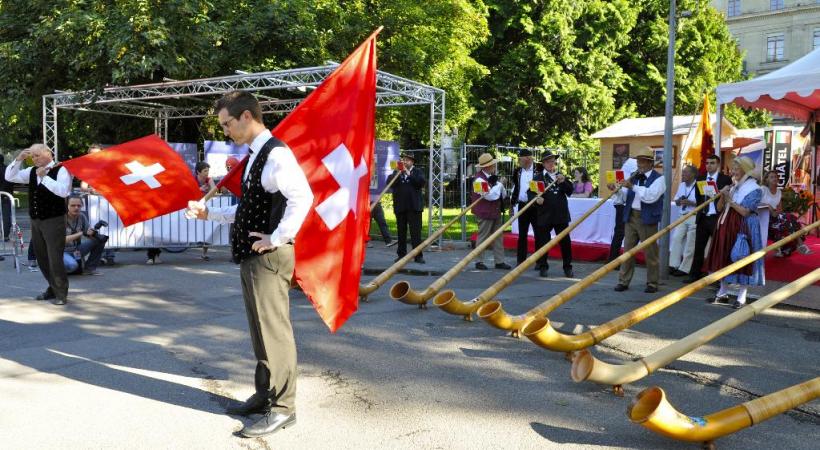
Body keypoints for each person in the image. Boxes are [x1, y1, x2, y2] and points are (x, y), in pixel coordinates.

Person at [186, 91, 313, 438]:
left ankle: (284, 408)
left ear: (246, 116)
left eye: (227, 123)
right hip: (254, 258)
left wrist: (278, 236)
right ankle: (265, 395)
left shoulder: (276, 154)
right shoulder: (257, 155)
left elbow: (303, 197)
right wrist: (209, 211)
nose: (225, 131)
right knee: (261, 332)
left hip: (268, 259)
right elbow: (247, 211)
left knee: (275, 333)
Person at [5, 144, 72, 305]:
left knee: (55, 257)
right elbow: (10, 177)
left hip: (54, 219)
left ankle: (61, 294)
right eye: (32, 156)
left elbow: (64, 191)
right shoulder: (31, 171)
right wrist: (18, 159)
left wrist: (45, 177)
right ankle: (52, 288)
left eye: (37, 155)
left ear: (48, 153)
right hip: (36, 219)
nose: (34, 159)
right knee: (42, 257)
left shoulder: (61, 169)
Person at [704, 156, 764, 308]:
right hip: (727, 225)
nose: (733, 171)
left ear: (745, 170)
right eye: (733, 168)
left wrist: (729, 199)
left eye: (737, 169)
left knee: (742, 257)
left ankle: (741, 296)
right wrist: (723, 195)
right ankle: (722, 293)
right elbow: (719, 208)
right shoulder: (733, 186)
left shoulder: (755, 189)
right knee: (724, 257)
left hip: (744, 226)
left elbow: (745, 212)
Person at [614, 146, 666, 293]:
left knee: (650, 252)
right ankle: (623, 281)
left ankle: (652, 283)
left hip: (647, 218)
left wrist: (633, 187)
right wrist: (616, 191)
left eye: (642, 162)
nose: (639, 165)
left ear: (650, 163)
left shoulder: (659, 179)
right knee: (628, 251)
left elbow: (650, 197)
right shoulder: (633, 176)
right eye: (638, 162)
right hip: (631, 216)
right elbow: (624, 198)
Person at [688, 154, 733, 282]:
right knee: (698, 247)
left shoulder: (725, 179)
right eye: (707, 163)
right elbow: (698, 198)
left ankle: (719, 277)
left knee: (718, 247)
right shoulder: (700, 178)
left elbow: (728, 198)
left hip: (717, 217)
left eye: (712, 163)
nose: (709, 165)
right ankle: (694, 274)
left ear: (718, 165)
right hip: (703, 217)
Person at [533, 151, 574, 278]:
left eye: (553, 162)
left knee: (565, 242)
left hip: (560, 215)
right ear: (544, 164)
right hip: (545, 214)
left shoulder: (560, 176)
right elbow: (531, 194)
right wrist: (536, 200)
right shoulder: (538, 178)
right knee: (543, 242)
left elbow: (570, 191)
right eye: (549, 162)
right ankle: (543, 266)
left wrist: (562, 182)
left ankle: (567, 267)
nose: (552, 164)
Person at [471, 153, 511, 270]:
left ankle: (499, 261)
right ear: (487, 166)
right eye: (493, 165)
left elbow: (503, 195)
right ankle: (479, 261)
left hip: (495, 211)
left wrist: (499, 186)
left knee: (498, 237)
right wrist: (500, 185)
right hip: (484, 212)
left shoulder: (492, 178)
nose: (494, 166)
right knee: (483, 236)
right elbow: (490, 196)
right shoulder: (478, 180)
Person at [762, 170, 812, 257]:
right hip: (764, 218)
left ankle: (788, 247)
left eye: (776, 177)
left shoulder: (779, 192)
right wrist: (769, 207)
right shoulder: (763, 189)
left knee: (789, 218)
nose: (775, 178)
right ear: (766, 180)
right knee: (788, 218)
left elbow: (780, 209)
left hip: (776, 217)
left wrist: (776, 212)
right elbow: (757, 204)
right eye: (772, 177)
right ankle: (800, 244)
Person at [391, 153, 425, 263]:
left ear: (412, 162)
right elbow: (389, 183)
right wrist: (397, 172)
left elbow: (420, 183)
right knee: (401, 232)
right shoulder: (397, 173)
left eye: (407, 160)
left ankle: (418, 256)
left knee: (415, 233)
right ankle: (401, 255)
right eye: (403, 160)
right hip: (400, 207)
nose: (405, 162)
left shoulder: (417, 172)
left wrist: (408, 173)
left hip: (414, 207)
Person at [63, 195, 106, 275]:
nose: (76, 208)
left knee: (100, 240)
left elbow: (87, 232)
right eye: (73, 205)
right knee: (73, 266)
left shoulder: (81, 216)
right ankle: (55, 267)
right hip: (62, 251)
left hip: (77, 249)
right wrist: (81, 233)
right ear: (67, 206)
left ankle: (89, 268)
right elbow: (60, 240)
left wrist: (92, 232)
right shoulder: (60, 218)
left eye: (79, 205)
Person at [668, 165, 699, 276]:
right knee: (676, 238)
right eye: (683, 172)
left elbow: (705, 202)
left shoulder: (699, 185)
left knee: (690, 243)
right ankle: (673, 264)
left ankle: (685, 268)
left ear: (693, 174)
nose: (683, 175)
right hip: (682, 215)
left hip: (694, 215)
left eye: (685, 172)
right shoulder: (681, 185)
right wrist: (679, 201)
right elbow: (676, 200)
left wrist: (690, 202)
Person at [509, 149, 538, 266]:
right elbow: (516, 188)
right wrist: (512, 204)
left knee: (539, 234)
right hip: (522, 204)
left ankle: (540, 261)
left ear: (528, 159)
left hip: (536, 205)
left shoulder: (539, 169)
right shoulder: (517, 171)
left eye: (521, 159)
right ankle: (521, 261)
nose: (519, 161)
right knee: (522, 234)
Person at [606, 158, 637, 263]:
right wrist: (614, 189)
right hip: (623, 206)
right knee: (621, 233)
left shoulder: (631, 175)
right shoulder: (624, 174)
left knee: (623, 233)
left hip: (627, 206)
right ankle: (614, 259)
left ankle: (614, 259)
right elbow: (622, 195)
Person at [195, 161, 216, 261]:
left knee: (207, 228)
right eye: (205, 171)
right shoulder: (193, 179)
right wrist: (199, 189)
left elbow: (214, 191)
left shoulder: (209, 179)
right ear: (198, 172)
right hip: (195, 208)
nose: (207, 172)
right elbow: (190, 192)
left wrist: (208, 190)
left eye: (208, 170)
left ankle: (204, 253)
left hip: (205, 208)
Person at [1, 154, 13, 243]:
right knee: (6, 216)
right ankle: (5, 235)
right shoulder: (7, 169)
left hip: (5, 194)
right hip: (6, 195)